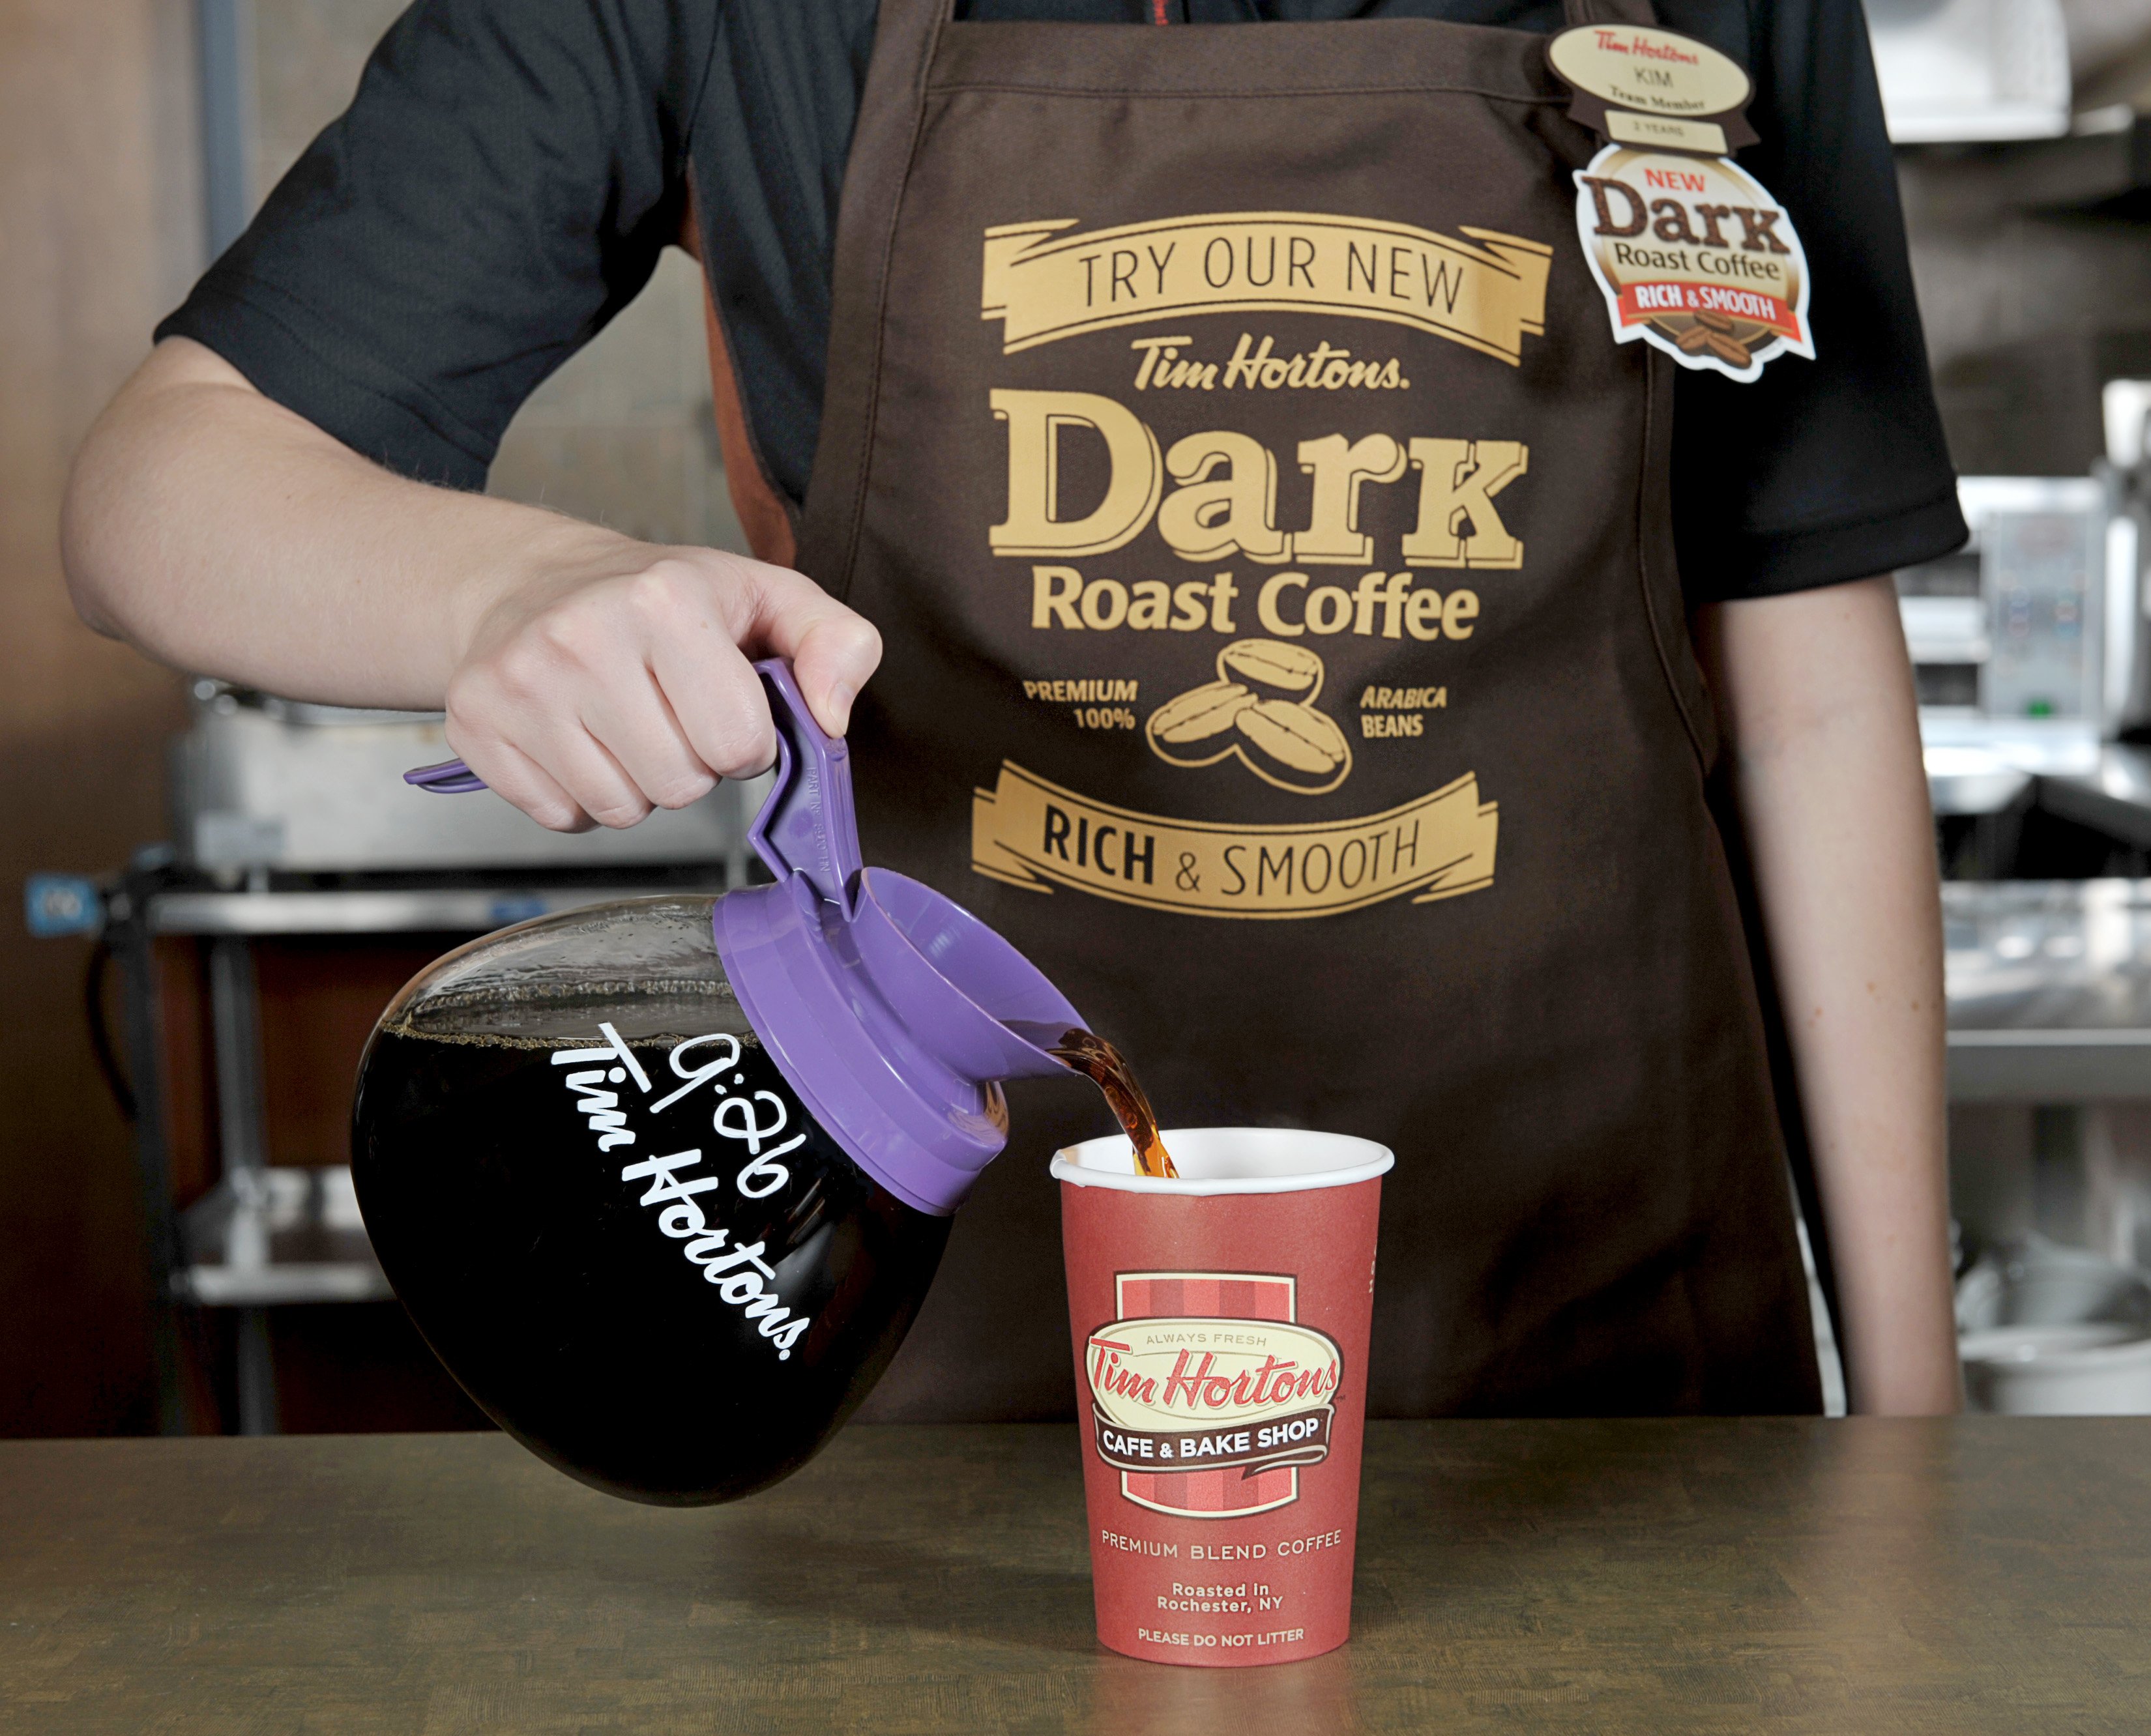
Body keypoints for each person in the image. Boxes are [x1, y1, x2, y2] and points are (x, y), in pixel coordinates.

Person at [63, 0, 1963, 1419]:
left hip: (1599, 1330)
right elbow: (158, 493)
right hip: (956, 1346)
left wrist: (1912, 1419)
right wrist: (506, 590)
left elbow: (1801, 682)